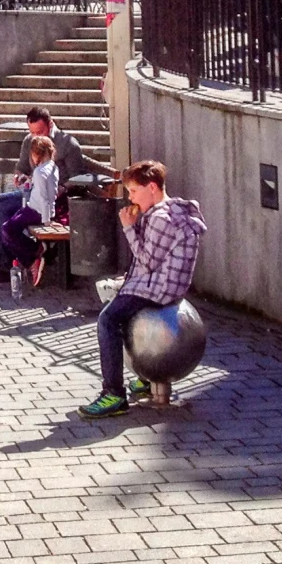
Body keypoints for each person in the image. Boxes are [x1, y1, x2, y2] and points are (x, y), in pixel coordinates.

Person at [79, 161, 208, 419]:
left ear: (152, 188)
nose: (130, 197)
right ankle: (149, 376)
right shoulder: (173, 211)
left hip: (158, 289)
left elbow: (147, 261)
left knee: (108, 319)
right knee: (121, 306)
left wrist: (128, 226)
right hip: (169, 287)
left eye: (134, 191)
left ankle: (113, 394)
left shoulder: (161, 218)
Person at [0, 109, 116, 282]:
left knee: (2, 210)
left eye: (39, 132)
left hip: (53, 199)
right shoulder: (29, 141)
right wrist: (19, 176)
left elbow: (78, 177)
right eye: (32, 132)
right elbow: (21, 167)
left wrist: (62, 188)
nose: (35, 136)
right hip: (31, 191)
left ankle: (8, 266)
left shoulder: (67, 143)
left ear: (50, 125)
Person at [0, 134, 62, 288]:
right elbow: (48, 189)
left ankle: (32, 256)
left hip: (36, 211)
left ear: (36, 153)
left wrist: (47, 220)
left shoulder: (41, 172)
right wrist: (28, 180)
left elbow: (45, 196)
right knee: (10, 225)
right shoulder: (52, 167)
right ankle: (29, 256)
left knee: (7, 229)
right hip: (37, 208)